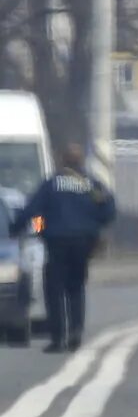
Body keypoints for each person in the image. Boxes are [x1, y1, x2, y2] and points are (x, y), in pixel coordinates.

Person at [7, 143, 115, 353]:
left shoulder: (52, 184)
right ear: (81, 161)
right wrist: (94, 228)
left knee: (54, 290)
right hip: (83, 242)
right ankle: (75, 333)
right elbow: (109, 210)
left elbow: (35, 210)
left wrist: (34, 230)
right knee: (76, 287)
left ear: (62, 161)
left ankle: (58, 338)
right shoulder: (91, 184)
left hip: (56, 242)